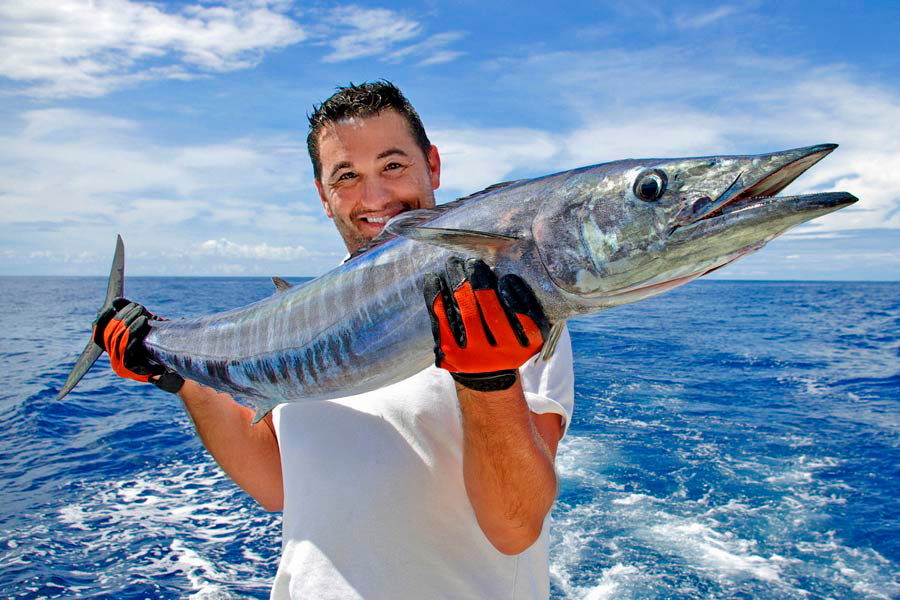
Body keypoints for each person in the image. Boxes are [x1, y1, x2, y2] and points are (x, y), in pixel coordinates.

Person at [94, 81, 575, 599]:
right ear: (324, 196)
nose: (375, 197)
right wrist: (178, 378)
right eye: (347, 176)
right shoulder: (304, 318)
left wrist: (489, 380)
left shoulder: (512, 308)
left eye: (393, 165)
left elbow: (515, 528)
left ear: (432, 165)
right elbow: (276, 483)